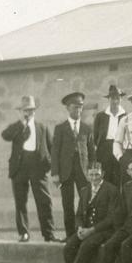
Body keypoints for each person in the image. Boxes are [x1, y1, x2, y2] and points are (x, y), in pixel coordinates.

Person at [1, 95, 59, 243]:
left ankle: (49, 234)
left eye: (31, 110)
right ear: (21, 111)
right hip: (19, 167)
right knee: (20, 202)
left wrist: (53, 168)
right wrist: (21, 124)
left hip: (38, 167)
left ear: (35, 111)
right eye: (25, 110)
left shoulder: (42, 127)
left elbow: (52, 148)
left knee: (44, 200)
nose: (28, 113)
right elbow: (5, 135)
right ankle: (24, 233)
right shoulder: (16, 127)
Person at [60, 162, 118, 263]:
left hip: (104, 231)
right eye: (91, 174)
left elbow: (112, 218)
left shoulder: (112, 190)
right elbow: (79, 214)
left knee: (87, 246)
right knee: (69, 247)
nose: (94, 178)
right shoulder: (85, 190)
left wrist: (91, 230)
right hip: (85, 230)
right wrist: (80, 227)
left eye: (97, 174)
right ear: (87, 175)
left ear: (102, 174)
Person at [52, 92, 95, 240]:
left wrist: (93, 171)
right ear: (68, 109)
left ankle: (84, 232)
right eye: (74, 107)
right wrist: (55, 173)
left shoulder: (86, 128)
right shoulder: (60, 128)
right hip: (66, 172)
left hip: (83, 171)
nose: (78, 110)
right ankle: (70, 235)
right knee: (67, 204)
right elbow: (55, 152)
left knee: (85, 203)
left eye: (80, 107)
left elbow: (92, 152)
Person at [93, 85, 127, 186]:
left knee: (118, 177)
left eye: (118, 98)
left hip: (119, 148)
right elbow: (95, 136)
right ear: (109, 99)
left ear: (121, 99)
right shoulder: (101, 116)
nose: (115, 101)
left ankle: (116, 201)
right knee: (105, 178)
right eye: (113, 98)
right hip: (105, 149)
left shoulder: (125, 116)